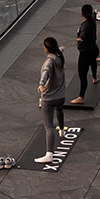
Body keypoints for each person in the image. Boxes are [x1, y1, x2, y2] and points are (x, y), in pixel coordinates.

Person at [34, 37, 66, 165]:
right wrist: (62, 48)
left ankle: (49, 154)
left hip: (49, 97)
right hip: (61, 95)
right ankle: (62, 130)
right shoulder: (59, 56)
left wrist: (41, 84)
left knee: (48, 126)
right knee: (60, 110)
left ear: (46, 49)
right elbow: (60, 49)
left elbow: (45, 72)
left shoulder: (49, 61)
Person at [70, 3, 99, 104]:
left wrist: (80, 39)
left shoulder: (85, 24)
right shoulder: (92, 21)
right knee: (93, 63)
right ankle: (95, 77)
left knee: (82, 74)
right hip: (94, 48)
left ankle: (81, 97)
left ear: (82, 13)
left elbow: (83, 34)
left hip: (86, 52)